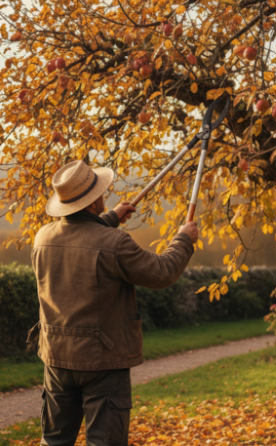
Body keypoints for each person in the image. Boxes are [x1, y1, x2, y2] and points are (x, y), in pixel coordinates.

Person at [26, 159, 198, 446]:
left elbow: (81, 238)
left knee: (54, 440)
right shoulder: (115, 244)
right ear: (94, 203)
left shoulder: (42, 238)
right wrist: (183, 240)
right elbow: (162, 272)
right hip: (102, 360)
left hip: (57, 356)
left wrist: (111, 217)